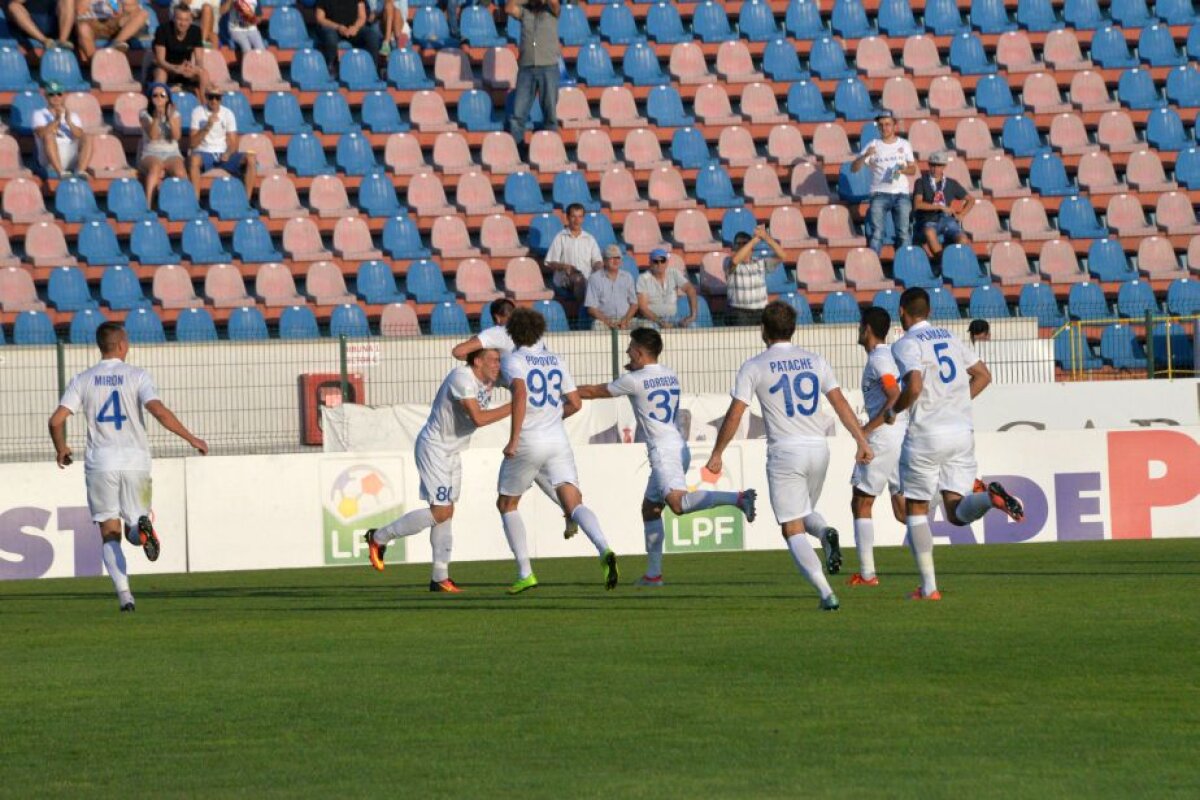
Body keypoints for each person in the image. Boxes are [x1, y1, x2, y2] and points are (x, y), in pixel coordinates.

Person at [705, 301, 874, 612]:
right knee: (805, 510)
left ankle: (826, 593)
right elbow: (839, 403)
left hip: (785, 451)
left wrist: (717, 453)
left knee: (791, 526)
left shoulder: (755, 366)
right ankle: (824, 532)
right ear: (793, 329)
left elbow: (735, 414)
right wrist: (861, 440)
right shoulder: (815, 360)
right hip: (819, 448)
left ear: (763, 330)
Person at [48, 322, 208, 612]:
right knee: (135, 524)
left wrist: (61, 448)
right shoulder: (137, 376)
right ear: (122, 345)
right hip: (136, 463)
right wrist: (191, 438)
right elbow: (158, 410)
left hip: (101, 465)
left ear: (101, 346)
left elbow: (55, 420)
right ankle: (141, 531)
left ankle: (125, 597)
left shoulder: (82, 379)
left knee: (110, 533)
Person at [577, 328, 757, 586]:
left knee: (678, 504)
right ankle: (654, 575)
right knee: (650, 510)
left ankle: (738, 498)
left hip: (664, 452)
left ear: (640, 352)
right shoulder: (669, 374)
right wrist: (634, 368)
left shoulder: (633, 380)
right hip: (677, 446)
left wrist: (565, 391)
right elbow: (645, 382)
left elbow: (594, 391)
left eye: (630, 348)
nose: (627, 351)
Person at [890, 288, 1024, 601]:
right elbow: (983, 375)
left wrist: (893, 411)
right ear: (930, 311)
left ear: (902, 311)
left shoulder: (906, 344)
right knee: (955, 511)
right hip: (961, 433)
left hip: (927, 434)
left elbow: (914, 386)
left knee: (916, 509)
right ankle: (989, 499)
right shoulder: (950, 337)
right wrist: (957, 402)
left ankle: (929, 588)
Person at [365, 348, 511, 592]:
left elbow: (520, 384)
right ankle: (379, 537)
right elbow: (478, 418)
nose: (499, 364)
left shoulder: (490, 378)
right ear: (477, 361)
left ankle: (440, 578)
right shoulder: (461, 378)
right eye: (494, 360)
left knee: (446, 512)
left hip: (452, 451)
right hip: (435, 448)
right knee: (441, 511)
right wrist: (516, 406)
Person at [497, 308, 618, 594]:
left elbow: (520, 393)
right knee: (573, 503)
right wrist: (551, 417)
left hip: (529, 440)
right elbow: (575, 403)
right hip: (558, 440)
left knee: (507, 504)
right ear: (540, 331)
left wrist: (514, 439)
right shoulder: (556, 360)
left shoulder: (513, 360)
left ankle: (525, 573)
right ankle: (604, 548)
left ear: (512, 333)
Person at [451, 297, 580, 540]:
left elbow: (458, 352)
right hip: (545, 412)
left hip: (523, 409)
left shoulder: (497, 332)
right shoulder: (536, 340)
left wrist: (480, 360)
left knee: (508, 501)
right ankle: (572, 510)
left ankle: (525, 562)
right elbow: (573, 401)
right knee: (544, 473)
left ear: (497, 318)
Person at [848, 307, 906, 587]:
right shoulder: (890, 356)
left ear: (867, 329)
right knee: (904, 511)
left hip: (883, 438)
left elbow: (894, 394)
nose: (859, 330)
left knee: (861, 501)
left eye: (861, 326)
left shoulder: (879, 359)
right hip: (901, 435)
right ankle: (972, 495)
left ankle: (867, 574)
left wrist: (866, 430)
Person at [851, 111, 917, 255]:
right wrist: (865, 155)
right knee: (877, 233)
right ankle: (872, 265)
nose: (884, 128)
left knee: (904, 233)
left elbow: (913, 169)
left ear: (894, 126)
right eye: (881, 125)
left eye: (887, 124)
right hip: (879, 194)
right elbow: (854, 168)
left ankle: (905, 262)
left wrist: (901, 170)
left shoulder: (904, 144)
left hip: (901, 194)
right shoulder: (873, 144)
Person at [505, 0, 559, 152]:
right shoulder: (524, 12)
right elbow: (509, 7)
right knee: (518, 115)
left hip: (548, 66)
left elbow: (555, 3)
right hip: (526, 68)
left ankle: (550, 150)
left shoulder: (551, 11)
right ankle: (518, 151)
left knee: (550, 114)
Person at [188, 88, 257, 202]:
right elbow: (192, 143)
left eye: (217, 97)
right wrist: (207, 126)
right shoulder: (197, 112)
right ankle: (195, 202)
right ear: (206, 97)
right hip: (204, 153)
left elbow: (233, 143)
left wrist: (228, 153)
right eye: (211, 97)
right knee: (194, 160)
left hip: (222, 153)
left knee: (251, 158)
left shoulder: (228, 113)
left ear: (221, 99)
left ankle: (246, 201)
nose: (214, 101)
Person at [913, 151, 974, 259]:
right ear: (929, 165)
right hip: (928, 220)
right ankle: (942, 260)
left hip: (948, 221)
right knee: (929, 232)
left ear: (944, 166)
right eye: (933, 165)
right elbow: (917, 204)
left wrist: (962, 215)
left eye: (939, 165)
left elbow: (971, 200)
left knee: (963, 239)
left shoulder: (951, 183)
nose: (935, 168)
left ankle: (953, 261)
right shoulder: (921, 182)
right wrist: (940, 207)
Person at [137, 82, 187, 207]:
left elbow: (176, 136)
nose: (159, 98)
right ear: (150, 98)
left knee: (180, 172)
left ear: (167, 98)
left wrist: (169, 118)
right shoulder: (144, 114)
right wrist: (156, 117)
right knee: (155, 168)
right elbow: (153, 136)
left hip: (172, 152)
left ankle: (184, 204)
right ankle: (148, 205)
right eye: (155, 95)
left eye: (162, 95)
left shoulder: (175, 114)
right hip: (151, 152)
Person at [31, 81, 93, 179]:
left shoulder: (72, 115)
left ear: (63, 95)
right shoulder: (39, 114)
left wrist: (69, 123)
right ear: (46, 96)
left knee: (87, 137)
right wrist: (56, 120)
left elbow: (79, 135)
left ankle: (81, 170)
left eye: (59, 94)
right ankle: (60, 172)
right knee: (49, 135)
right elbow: (41, 134)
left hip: (70, 155)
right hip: (49, 160)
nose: (56, 97)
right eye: (51, 94)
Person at [725, 226, 784, 327]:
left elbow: (782, 255)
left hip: (761, 311)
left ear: (751, 250)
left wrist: (766, 238)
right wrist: (754, 241)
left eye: (745, 248)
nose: (744, 251)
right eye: (740, 248)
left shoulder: (760, 262)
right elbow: (735, 261)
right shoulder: (727, 262)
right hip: (739, 312)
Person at [544, 202, 601, 305]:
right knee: (579, 280)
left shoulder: (589, 238)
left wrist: (599, 268)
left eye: (580, 217)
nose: (577, 220)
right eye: (573, 216)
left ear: (583, 219)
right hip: (565, 280)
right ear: (567, 217)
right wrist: (564, 266)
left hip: (587, 278)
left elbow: (597, 261)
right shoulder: (560, 237)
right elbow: (550, 263)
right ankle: (584, 310)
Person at [315, 0, 383, 79]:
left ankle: (372, 69)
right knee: (331, 38)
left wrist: (355, 28)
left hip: (352, 28)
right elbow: (320, 19)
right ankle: (331, 67)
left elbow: (362, 17)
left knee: (372, 36)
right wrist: (338, 27)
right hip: (332, 28)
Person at [152, 4, 211, 96]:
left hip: (184, 69)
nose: (183, 24)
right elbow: (160, 61)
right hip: (166, 68)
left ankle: (205, 103)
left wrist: (193, 69)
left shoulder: (195, 31)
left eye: (186, 20)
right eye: (179, 19)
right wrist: (176, 69)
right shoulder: (162, 30)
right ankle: (159, 100)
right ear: (173, 18)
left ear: (191, 20)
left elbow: (199, 59)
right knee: (161, 73)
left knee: (203, 73)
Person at [637, 247, 697, 329]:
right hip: (651, 319)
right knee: (649, 328)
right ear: (650, 263)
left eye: (663, 260)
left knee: (692, 326)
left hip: (672, 318)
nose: (659, 264)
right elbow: (643, 308)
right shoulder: (643, 279)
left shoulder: (673, 273)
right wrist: (660, 322)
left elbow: (690, 290)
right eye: (656, 261)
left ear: (667, 262)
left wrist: (693, 316)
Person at [75, 0, 148, 66]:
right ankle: (96, 62)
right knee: (83, 27)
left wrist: (123, 6)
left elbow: (133, 7)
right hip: (93, 22)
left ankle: (115, 44)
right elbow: (80, 10)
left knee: (142, 14)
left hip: (116, 21)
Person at [585, 244, 638, 331]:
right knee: (596, 326)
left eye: (618, 257)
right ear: (604, 261)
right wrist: (608, 322)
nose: (615, 261)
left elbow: (634, 304)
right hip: (604, 321)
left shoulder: (628, 277)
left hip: (626, 320)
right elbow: (591, 308)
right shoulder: (594, 279)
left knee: (647, 325)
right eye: (611, 258)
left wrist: (624, 321)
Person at [6, 0, 75, 51]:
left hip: (54, 19)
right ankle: (45, 41)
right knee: (13, 6)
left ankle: (62, 41)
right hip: (31, 21)